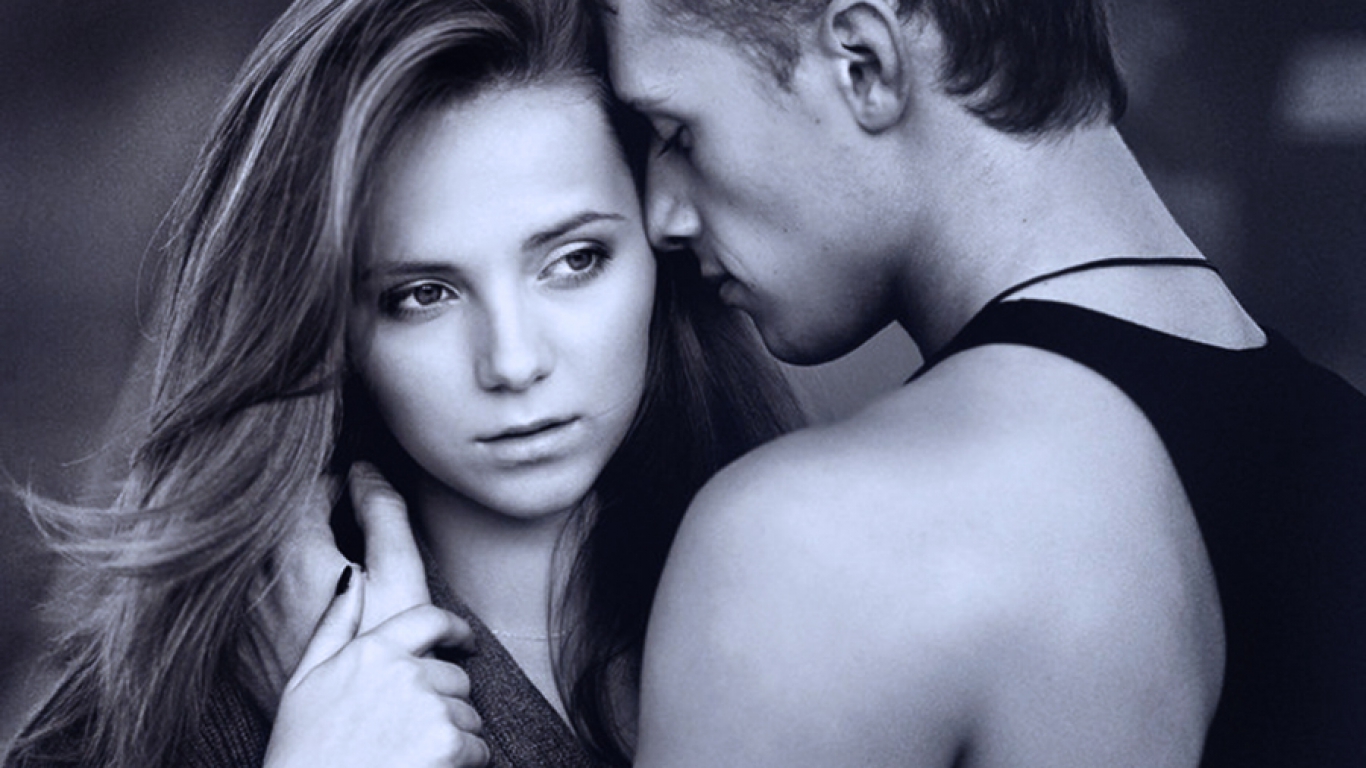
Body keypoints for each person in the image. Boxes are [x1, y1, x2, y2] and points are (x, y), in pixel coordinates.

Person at [2, 0, 800, 766]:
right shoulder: (158, 713)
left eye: (573, 261)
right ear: (328, 325)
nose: (513, 361)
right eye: (422, 295)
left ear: (664, 246)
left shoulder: (807, 601)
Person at [593, 0, 1366, 766]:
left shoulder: (814, 539)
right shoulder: (1342, 445)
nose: (662, 217)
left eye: (676, 133)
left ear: (864, 64)